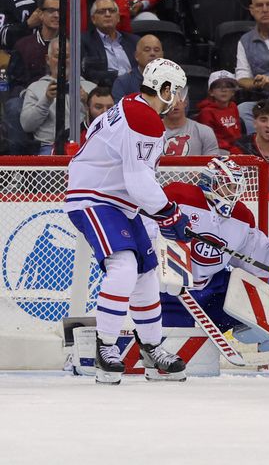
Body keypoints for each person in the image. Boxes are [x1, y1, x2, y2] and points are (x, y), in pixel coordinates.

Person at [63, 57, 191, 384]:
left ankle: (151, 347)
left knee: (147, 273)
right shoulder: (144, 119)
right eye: (175, 92)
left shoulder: (130, 105)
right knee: (124, 266)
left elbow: (132, 175)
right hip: (96, 198)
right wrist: (168, 212)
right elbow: (139, 181)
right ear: (163, 89)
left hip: (118, 201)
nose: (178, 100)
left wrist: (160, 212)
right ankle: (106, 349)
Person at [158, 157, 269, 372]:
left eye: (236, 188)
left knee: (253, 293)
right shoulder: (179, 195)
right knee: (173, 353)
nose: (232, 193)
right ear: (209, 182)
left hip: (210, 295)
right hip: (166, 297)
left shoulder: (241, 215)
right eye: (227, 186)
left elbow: (259, 264)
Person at [21, 39, 97, 155]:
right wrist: (46, 100)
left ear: (75, 59)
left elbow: (105, 123)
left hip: (85, 146)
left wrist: (88, 102)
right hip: (48, 147)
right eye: (57, 56)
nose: (62, 61)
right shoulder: (35, 88)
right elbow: (27, 125)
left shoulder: (91, 88)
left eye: (66, 56)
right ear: (47, 59)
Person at [7, 0, 60, 94]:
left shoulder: (71, 45)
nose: (56, 15)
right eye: (51, 11)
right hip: (30, 98)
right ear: (40, 14)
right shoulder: (23, 45)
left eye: (60, 11)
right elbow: (14, 84)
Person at [80, 0, 139, 84]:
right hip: (104, 91)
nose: (108, 14)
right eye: (102, 11)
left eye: (112, 11)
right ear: (93, 19)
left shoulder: (134, 41)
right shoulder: (84, 41)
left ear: (118, 17)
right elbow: (88, 73)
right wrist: (120, 75)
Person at [162, 90, 222, 157]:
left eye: (180, 99)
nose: (175, 103)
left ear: (185, 102)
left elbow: (211, 163)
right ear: (161, 103)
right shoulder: (151, 131)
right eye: (170, 99)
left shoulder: (205, 131)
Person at [196, 70, 243, 154]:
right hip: (217, 149)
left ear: (233, 92)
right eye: (218, 86)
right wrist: (232, 150)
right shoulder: (206, 112)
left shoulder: (233, 106)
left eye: (228, 86)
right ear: (211, 92)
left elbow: (237, 132)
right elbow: (209, 140)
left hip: (235, 148)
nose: (224, 90)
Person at [112, 34, 163, 101]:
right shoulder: (123, 82)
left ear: (162, 55)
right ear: (136, 56)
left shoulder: (171, 80)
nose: (152, 53)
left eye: (156, 50)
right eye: (147, 50)